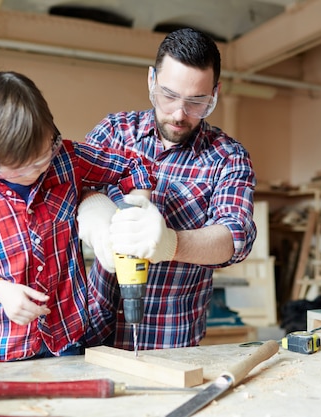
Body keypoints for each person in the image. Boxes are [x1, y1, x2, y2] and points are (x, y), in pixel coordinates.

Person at [0, 71, 154, 362]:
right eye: (21, 169)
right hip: (1, 346)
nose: (37, 172)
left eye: (43, 158)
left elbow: (133, 167)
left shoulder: (67, 159)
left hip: (68, 335)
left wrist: (137, 212)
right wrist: (0, 291)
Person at [79, 28, 256, 350]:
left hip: (171, 336)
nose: (179, 113)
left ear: (214, 93)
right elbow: (72, 189)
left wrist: (170, 243)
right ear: (151, 80)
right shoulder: (115, 133)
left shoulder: (227, 156)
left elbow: (235, 238)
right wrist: (97, 218)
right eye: (169, 96)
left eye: (196, 102)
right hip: (92, 323)